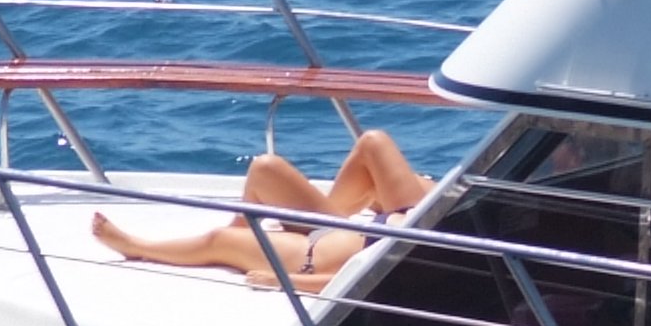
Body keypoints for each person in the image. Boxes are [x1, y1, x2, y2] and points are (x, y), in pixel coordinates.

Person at [91, 129, 433, 291]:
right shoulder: (443, 212)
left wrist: (284, 281)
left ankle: (135, 247)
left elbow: (361, 278)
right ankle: (245, 230)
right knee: (265, 167)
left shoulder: (425, 256)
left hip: (314, 256)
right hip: (353, 229)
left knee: (219, 240)